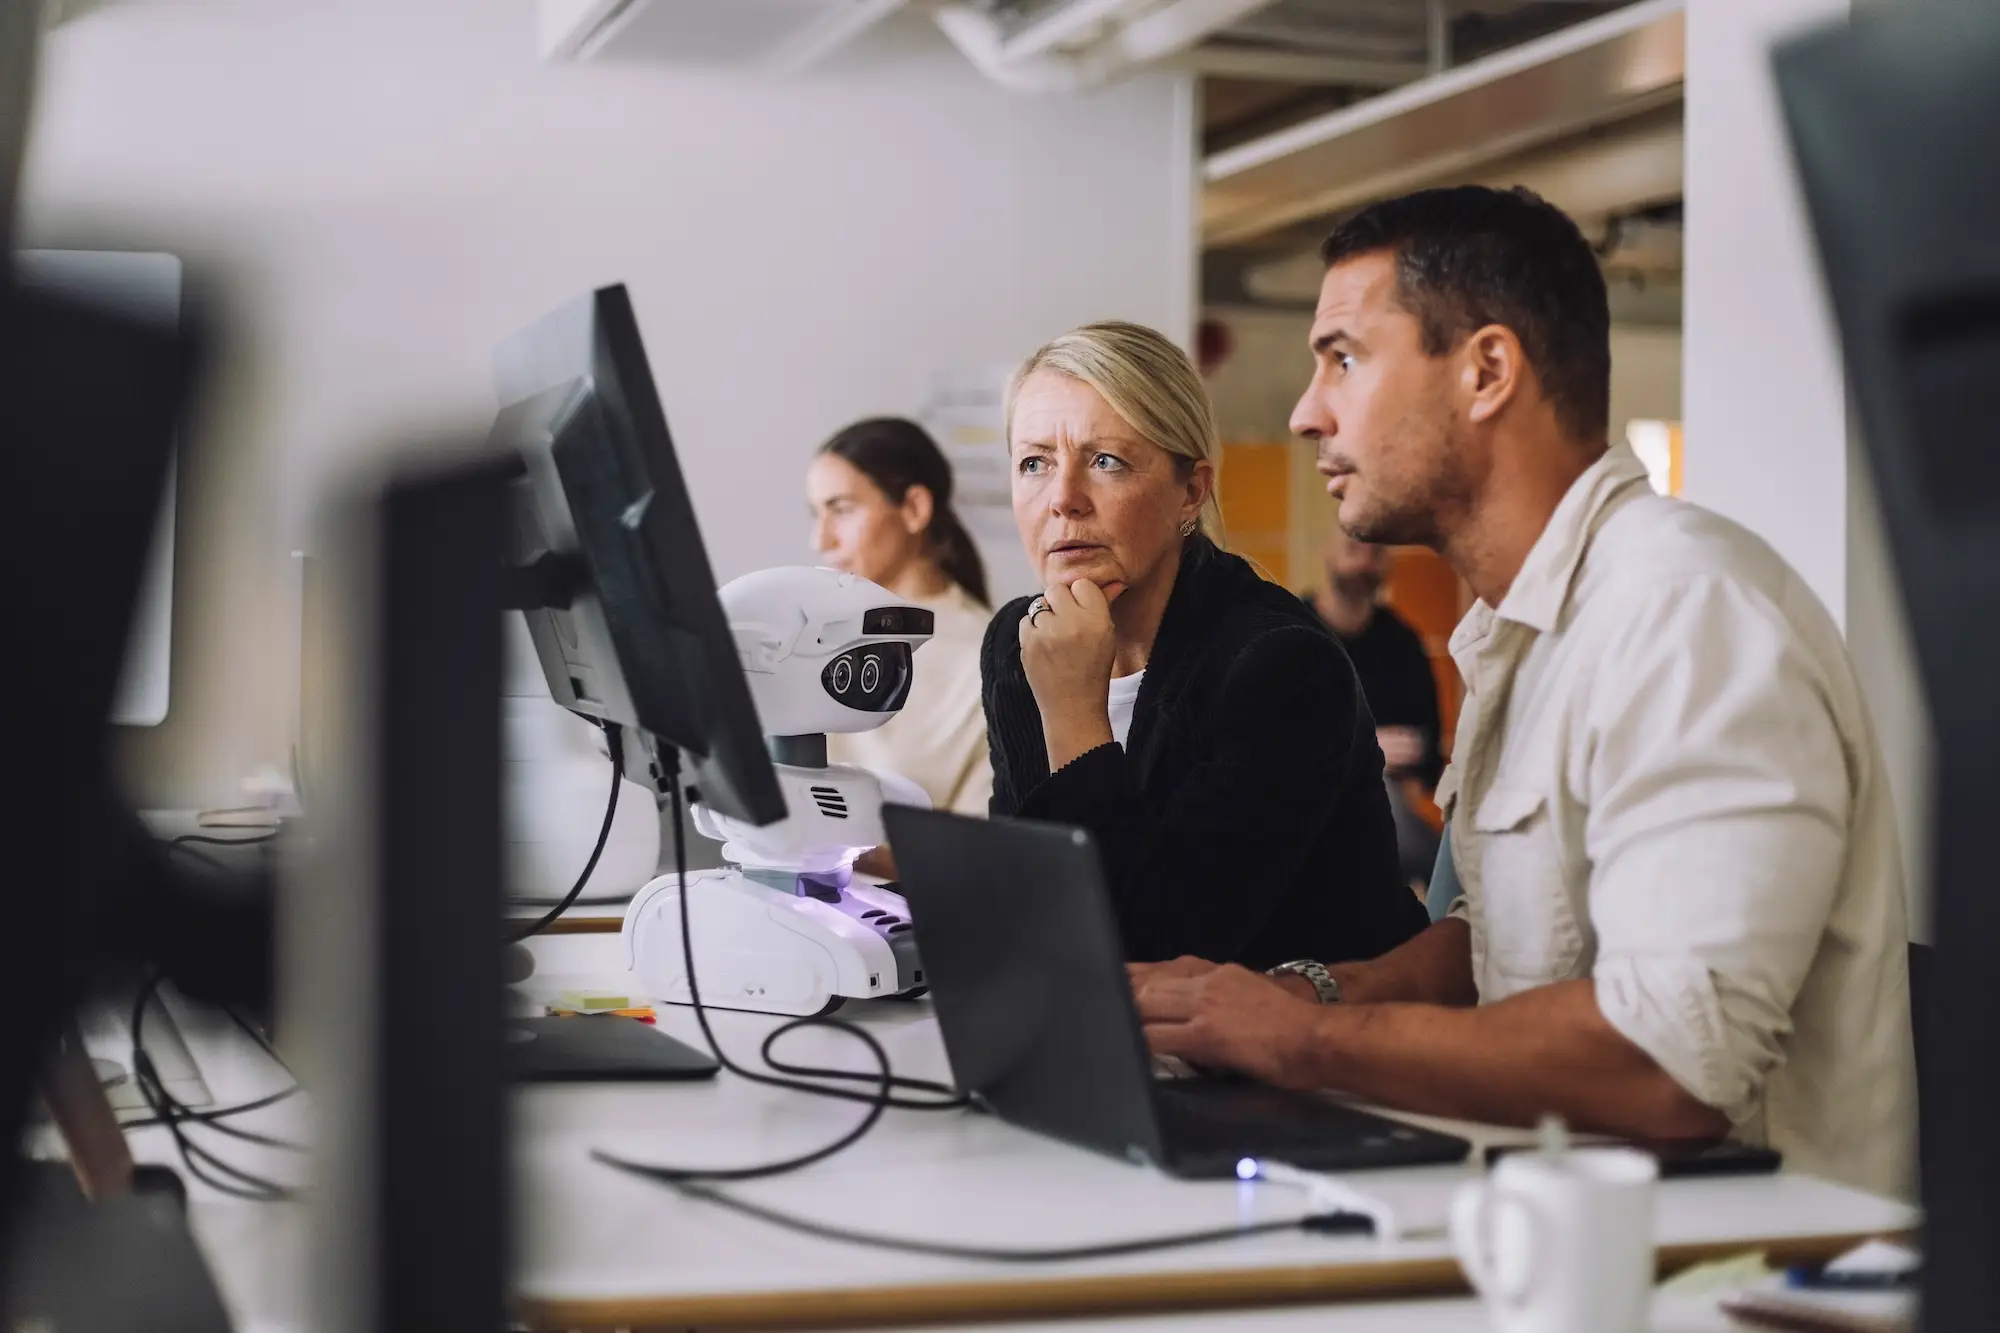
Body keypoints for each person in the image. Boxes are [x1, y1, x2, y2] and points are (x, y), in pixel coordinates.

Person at [1131, 186, 1916, 1197]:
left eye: (1343, 357)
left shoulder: (1686, 613)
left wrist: (1309, 1041)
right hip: (1553, 1219)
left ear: (1485, 370)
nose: (1302, 410)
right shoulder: (1520, 627)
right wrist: (1275, 999)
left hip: (1732, 1275)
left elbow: (1667, 1062)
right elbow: (1499, 945)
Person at [982, 320, 1427, 971]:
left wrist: (1075, 714)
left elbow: (1160, 950)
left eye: (1105, 461)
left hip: (1312, 1054)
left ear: (1190, 490)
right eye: (1034, 463)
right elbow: (1030, 884)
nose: (1063, 499)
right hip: (1117, 1041)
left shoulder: (1280, 665)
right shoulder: (1019, 640)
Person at [808, 418, 992, 816]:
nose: (821, 540)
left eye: (841, 510)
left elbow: (975, 851)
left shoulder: (987, 661)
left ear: (913, 509)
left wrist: (815, 837)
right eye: (816, 514)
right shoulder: (815, 634)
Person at [1306, 523, 1445, 889]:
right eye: (1354, 548)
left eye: (1377, 552)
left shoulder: (1402, 645)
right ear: (1327, 550)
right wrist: (1364, 748)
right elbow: (1265, 745)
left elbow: (1425, 756)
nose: (1365, 561)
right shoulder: (1287, 633)